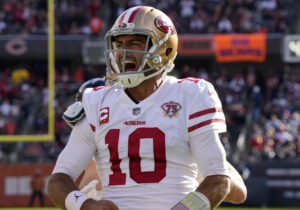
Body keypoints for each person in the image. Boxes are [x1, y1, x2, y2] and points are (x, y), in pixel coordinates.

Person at [47, 6, 247, 210]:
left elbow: (218, 179)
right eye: (119, 44)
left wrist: (184, 209)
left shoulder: (191, 94)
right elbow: (58, 181)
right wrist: (86, 204)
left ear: (165, 50)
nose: (123, 52)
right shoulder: (95, 101)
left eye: (134, 43)